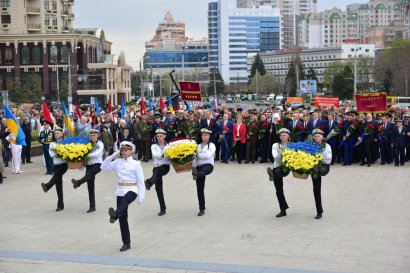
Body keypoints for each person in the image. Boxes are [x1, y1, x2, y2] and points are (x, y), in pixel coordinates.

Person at [101, 141, 145, 252]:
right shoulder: (117, 162)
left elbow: (141, 181)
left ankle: (115, 215)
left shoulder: (136, 164)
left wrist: (141, 197)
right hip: (120, 190)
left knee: (124, 202)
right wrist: (112, 155)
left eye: (126, 150)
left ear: (131, 151)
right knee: (123, 218)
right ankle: (126, 243)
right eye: (122, 150)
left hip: (132, 190)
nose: (124, 152)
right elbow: (103, 166)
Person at [71, 129, 104, 213]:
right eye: (91, 135)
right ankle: (92, 207)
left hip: (97, 164)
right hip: (89, 165)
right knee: (90, 185)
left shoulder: (100, 144)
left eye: (94, 135)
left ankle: (78, 182)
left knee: (90, 174)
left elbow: (96, 154)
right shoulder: (87, 143)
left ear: (97, 135)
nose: (92, 137)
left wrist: (85, 155)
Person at [41, 127, 68, 211]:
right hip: (56, 165)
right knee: (58, 185)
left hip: (63, 165)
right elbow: (52, 154)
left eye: (58, 133)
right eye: (55, 133)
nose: (56, 135)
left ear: (62, 134)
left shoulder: (65, 142)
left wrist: (60, 152)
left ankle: (48, 186)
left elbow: (66, 154)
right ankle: (60, 205)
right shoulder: (52, 144)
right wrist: (60, 152)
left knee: (56, 176)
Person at [145, 129, 170, 216]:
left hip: (165, 167)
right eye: (158, 136)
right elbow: (155, 155)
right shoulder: (154, 146)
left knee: (159, 170)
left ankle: (149, 182)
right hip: (156, 168)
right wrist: (165, 154)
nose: (159, 138)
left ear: (164, 136)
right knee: (158, 189)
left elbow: (171, 156)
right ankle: (163, 209)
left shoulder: (169, 145)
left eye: (161, 136)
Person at [266, 128, 291, 217]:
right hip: (277, 167)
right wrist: (286, 155)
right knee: (278, 190)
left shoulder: (292, 145)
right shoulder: (275, 145)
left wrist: (284, 155)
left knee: (278, 171)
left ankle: (272, 174)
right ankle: (283, 209)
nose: (283, 137)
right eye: (281, 135)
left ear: (288, 136)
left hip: (287, 167)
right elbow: (276, 157)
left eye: (285, 135)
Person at [192, 128, 216, 216]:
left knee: (201, 173)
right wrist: (193, 168)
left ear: (209, 136)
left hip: (208, 166)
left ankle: (198, 174)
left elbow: (208, 156)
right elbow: (194, 159)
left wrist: (198, 155)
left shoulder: (211, 145)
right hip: (198, 167)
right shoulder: (197, 146)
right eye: (202, 135)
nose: (204, 136)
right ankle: (202, 208)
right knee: (200, 189)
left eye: (205, 135)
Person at [310, 129, 332, 219]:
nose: (316, 138)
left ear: (322, 137)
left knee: (317, 189)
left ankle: (319, 212)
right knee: (316, 190)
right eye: (315, 136)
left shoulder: (327, 146)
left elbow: (328, 159)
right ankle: (319, 211)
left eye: (318, 136)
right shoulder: (311, 145)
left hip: (324, 167)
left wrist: (317, 157)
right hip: (313, 167)